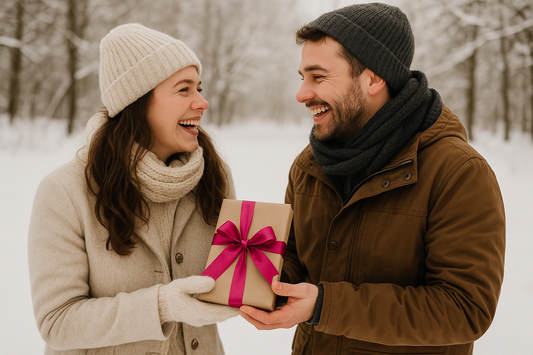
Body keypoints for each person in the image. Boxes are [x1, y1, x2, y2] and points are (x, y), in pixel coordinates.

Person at [239, 3, 505, 354]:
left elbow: (464, 309)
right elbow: (296, 259)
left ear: (374, 78)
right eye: (302, 77)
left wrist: (323, 305)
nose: (302, 94)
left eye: (318, 77)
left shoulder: (457, 172)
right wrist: (252, 275)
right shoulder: (309, 166)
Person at [28, 23, 239, 355]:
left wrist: (262, 278)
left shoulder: (214, 177)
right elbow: (57, 322)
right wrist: (162, 305)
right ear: (138, 101)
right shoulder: (64, 192)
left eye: (199, 87)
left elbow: (232, 282)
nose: (202, 102)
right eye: (184, 89)